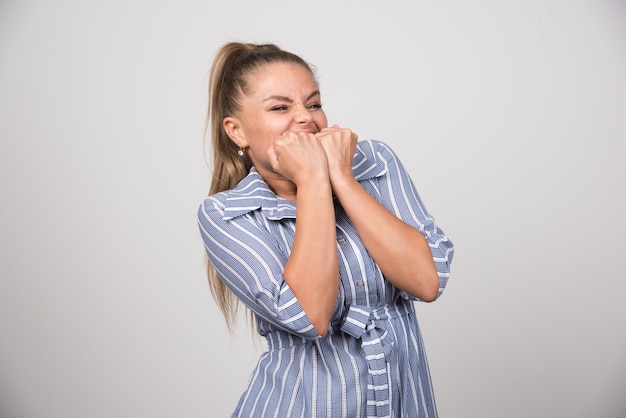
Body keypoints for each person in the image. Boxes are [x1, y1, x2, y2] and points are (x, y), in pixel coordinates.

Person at [197, 41, 454, 418]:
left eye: (313, 103)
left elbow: (426, 280)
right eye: (280, 108)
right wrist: (314, 181)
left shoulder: (375, 163)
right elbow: (309, 316)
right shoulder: (226, 213)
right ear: (238, 132)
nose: (305, 118)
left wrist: (343, 180)